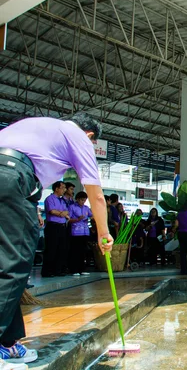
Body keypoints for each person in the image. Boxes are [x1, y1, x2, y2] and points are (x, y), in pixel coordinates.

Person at [0, 112, 113, 367]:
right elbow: (95, 195)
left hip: (10, 178)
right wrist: (104, 232)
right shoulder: (78, 137)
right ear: (91, 136)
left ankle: (8, 343)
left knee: (6, 263)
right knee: (13, 265)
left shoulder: (40, 125)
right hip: (10, 176)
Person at [42, 181, 70, 277]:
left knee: (61, 249)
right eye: (62, 188)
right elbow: (52, 211)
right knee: (51, 249)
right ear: (57, 188)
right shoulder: (50, 198)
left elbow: (66, 212)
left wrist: (62, 213)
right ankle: (47, 271)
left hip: (62, 227)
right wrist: (61, 213)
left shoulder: (62, 200)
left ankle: (57, 270)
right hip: (53, 226)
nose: (64, 190)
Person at [68, 191, 93, 276]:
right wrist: (77, 219)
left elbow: (91, 215)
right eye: (81, 200)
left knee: (83, 251)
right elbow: (68, 219)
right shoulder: (72, 207)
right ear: (77, 199)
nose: (83, 202)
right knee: (75, 251)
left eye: (84, 200)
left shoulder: (86, 208)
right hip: (76, 232)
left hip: (85, 232)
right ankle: (74, 269)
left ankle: (82, 269)